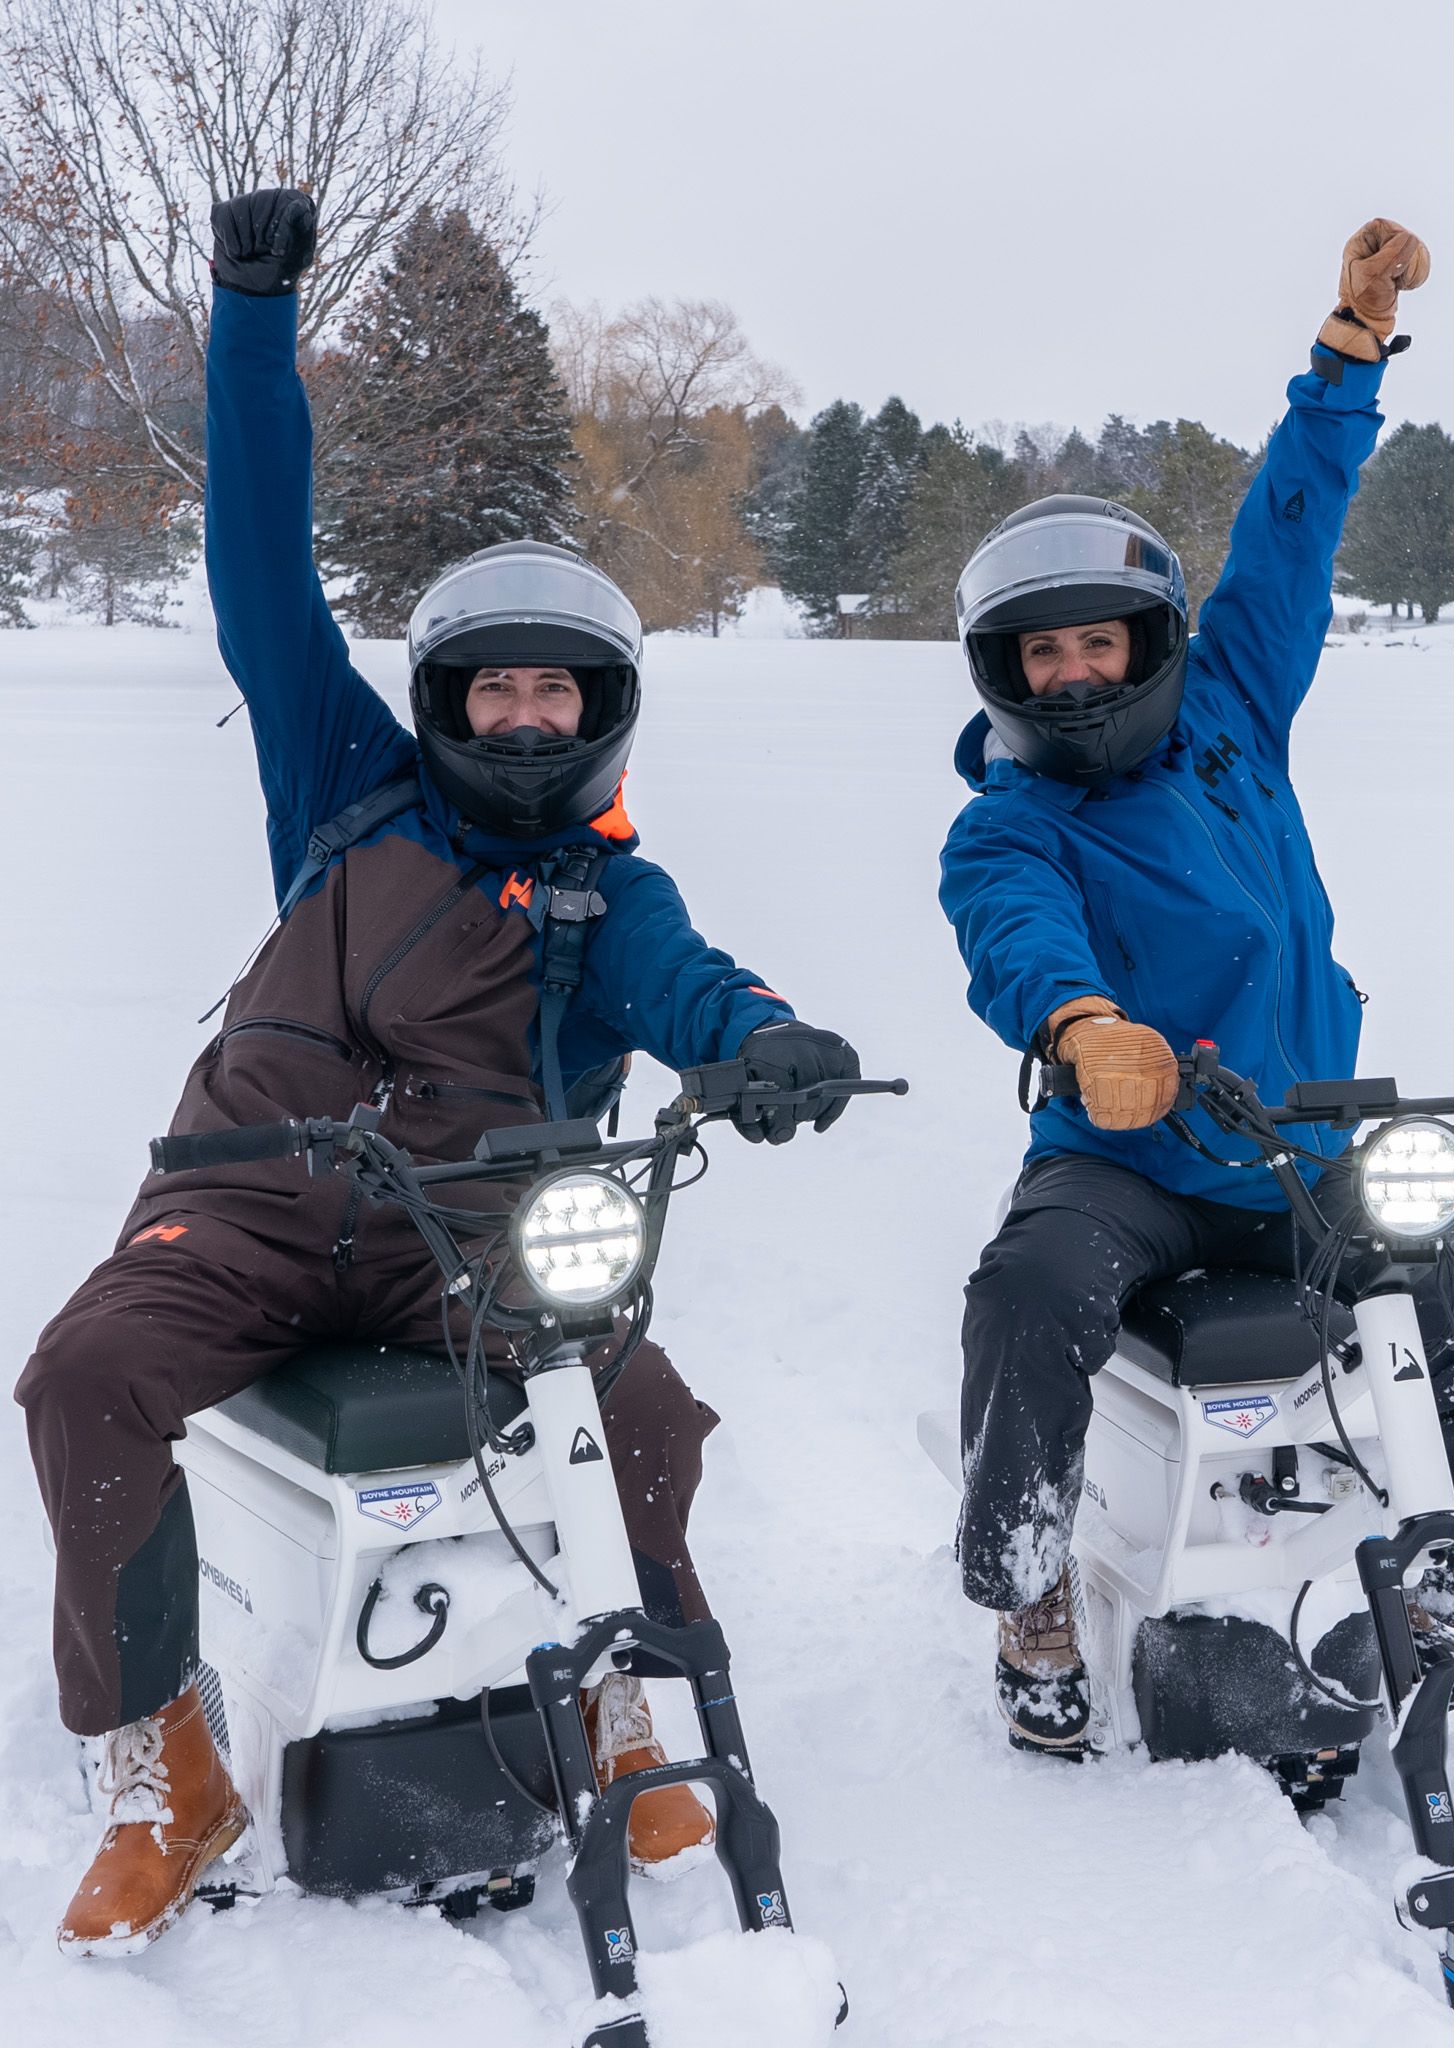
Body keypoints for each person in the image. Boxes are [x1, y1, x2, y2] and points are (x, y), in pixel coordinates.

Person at [17, 187, 860, 1953]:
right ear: (444, 700)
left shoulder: (610, 894)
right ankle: (162, 1754)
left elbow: (697, 986)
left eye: (561, 695)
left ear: (605, 707)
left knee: (633, 1410)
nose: (527, 721)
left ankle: (627, 1689)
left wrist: (766, 1039)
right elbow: (258, 560)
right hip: (244, 1207)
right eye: (495, 694)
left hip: (458, 1244)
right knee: (84, 1374)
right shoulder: (342, 785)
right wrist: (253, 323)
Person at [939, 220, 1454, 1756]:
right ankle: (1025, 1590)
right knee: (1028, 1291)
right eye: (1042, 658)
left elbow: (1290, 531)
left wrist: (1346, 357)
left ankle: (1421, 1591)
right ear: (1004, 681)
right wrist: (1085, 1030)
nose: (1075, 673)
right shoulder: (1007, 820)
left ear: (1150, 643)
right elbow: (1015, 938)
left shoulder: (1229, 712)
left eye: (1099, 642)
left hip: (1303, 1148)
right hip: (1127, 1158)